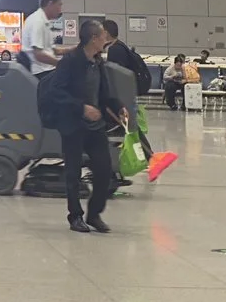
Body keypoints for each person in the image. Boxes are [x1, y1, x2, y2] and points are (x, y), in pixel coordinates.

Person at [51, 18, 121, 234]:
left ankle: (94, 214)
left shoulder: (98, 62)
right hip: (73, 124)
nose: (105, 40)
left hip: (95, 126)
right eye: (102, 37)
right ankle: (75, 216)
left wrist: (118, 107)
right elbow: (57, 92)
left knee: (104, 169)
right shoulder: (70, 61)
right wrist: (81, 108)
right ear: (93, 38)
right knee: (73, 172)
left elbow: (105, 93)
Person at [101, 19, 152, 163]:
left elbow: (117, 76)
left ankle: (148, 156)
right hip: (126, 93)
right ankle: (147, 156)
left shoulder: (115, 50)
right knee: (129, 126)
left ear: (105, 33)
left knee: (129, 126)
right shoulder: (119, 47)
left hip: (123, 95)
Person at [18, 0, 66, 71]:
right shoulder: (38, 21)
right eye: (59, 5)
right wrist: (61, 64)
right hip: (41, 71)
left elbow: (54, 51)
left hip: (46, 69)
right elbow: (38, 55)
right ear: (50, 4)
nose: (60, 10)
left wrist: (76, 48)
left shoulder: (44, 21)